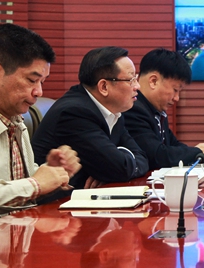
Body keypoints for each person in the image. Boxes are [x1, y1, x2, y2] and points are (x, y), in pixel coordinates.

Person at [0, 23, 80, 210]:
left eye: (42, 82)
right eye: (32, 80)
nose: (39, 91)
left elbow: (17, 187)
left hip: (18, 225)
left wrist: (51, 174)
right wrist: (35, 185)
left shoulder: (14, 117)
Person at [32, 47, 149, 189]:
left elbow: (142, 158)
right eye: (131, 80)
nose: (137, 86)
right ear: (104, 87)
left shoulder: (113, 111)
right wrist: (113, 168)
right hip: (57, 200)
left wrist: (111, 169)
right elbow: (120, 169)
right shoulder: (75, 113)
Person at [123, 48, 204, 169]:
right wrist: (197, 152)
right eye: (175, 90)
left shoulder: (157, 111)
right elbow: (156, 156)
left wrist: (201, 152)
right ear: (153, 81)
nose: (177, 98)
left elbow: (173, 145)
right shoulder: (132, 109)